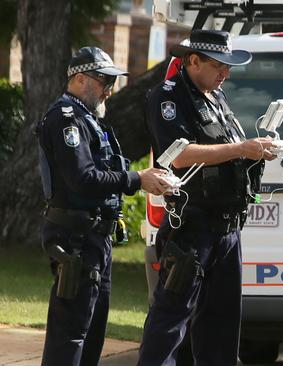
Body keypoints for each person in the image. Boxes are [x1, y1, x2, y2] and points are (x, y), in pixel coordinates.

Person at [138, 29, 276, 366]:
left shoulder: (216, 97)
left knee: (221, 326)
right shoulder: (168, 97)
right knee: (171, 320)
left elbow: (226, 149)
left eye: (228, 68)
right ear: (193, 61)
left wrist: (257, 150)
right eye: (219, 66)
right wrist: (241, 149)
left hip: (227, 229)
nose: (225, 74)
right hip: (193, 227)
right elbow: (179, 156)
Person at [36, 46, 171, 366]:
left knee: (92, 331)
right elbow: (83, 178)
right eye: (103, 80)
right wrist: (137, 178)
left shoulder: (90, 120)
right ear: (80, 79)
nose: (110, 89)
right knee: (70, 334)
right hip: (76, 239)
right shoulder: (66, 119)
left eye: (112, 81)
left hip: (96, 239)